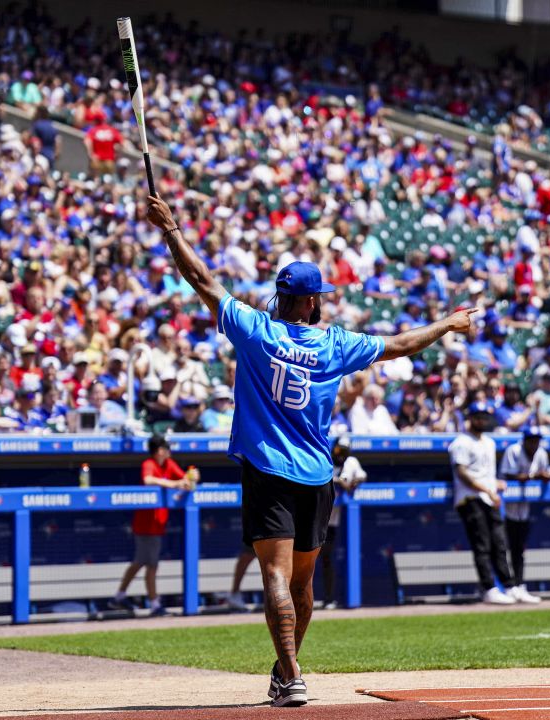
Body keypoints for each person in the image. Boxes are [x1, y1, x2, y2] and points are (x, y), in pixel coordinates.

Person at [145, 194, 479, 707]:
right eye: (318, 295)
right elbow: (404, 344)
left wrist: (170, 230)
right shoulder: (333, 344)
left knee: (274, 577)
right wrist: (449, 324)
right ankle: (289, 673)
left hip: (268, 469)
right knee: (302, 585)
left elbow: (203, 282)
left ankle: (290, 674)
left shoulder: (256, 329)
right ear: (310, 302)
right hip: (315, 474)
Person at [109, 435, 197, 616]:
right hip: (145, 524)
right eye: (165, 449)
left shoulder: (169, 464)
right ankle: (154, 603)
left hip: (157, 524)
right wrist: (174, 484)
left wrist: (193, 477)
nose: (168, 452)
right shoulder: (149, 463)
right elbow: (148, 479)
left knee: (143, 563)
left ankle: (120, 596)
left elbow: (185, 480)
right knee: (150, 564)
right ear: (158, 451)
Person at [448, 400, 519, 605]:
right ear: (470, 418)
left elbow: (485, 472)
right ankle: (488, 587)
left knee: (499, 544)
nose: (482, 420)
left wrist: (494, 484)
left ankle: (509, 585)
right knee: (482, 545)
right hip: (470, 499)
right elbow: (462, 473)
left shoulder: (489, 441)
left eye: (484, 417)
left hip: (489, 497)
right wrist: (487, 488)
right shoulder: (461, 442)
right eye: (478, 416)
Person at [498, 425, 550, 604]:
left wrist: (542, 476)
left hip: (523, 507)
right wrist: (533, 476)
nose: (534, 444)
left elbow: (545, 473)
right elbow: (508, 475)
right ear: (525, 440)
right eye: (531, 440)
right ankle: (506, 587)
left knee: (518, 549)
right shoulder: (513, 450)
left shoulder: (542, 453)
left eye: (536, 440)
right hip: (504, 506)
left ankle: (519, 586)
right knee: (502, 548)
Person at [323, 435, 365, 610]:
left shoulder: (351, 462)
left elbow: (363, 475)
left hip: (331, 521)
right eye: (339, 450)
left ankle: (329, 599)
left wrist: (354, 481)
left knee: (326, 558)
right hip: (315, 518)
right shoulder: (325, 458)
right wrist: (340, 481)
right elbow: (321, 478)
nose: (341, 454)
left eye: (345, 451)